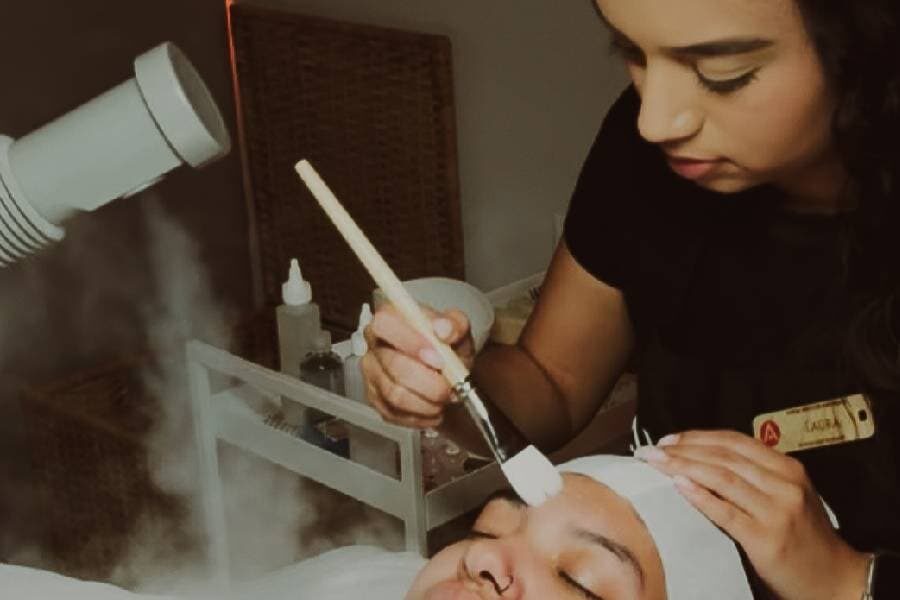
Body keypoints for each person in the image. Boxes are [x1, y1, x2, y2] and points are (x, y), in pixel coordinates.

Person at [361, 0, 900, 597]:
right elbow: (552, 381)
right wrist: (451, 387)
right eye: (633, 53)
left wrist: (848, 582)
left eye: (721, 74)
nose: (654, 121)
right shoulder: (651, 156)